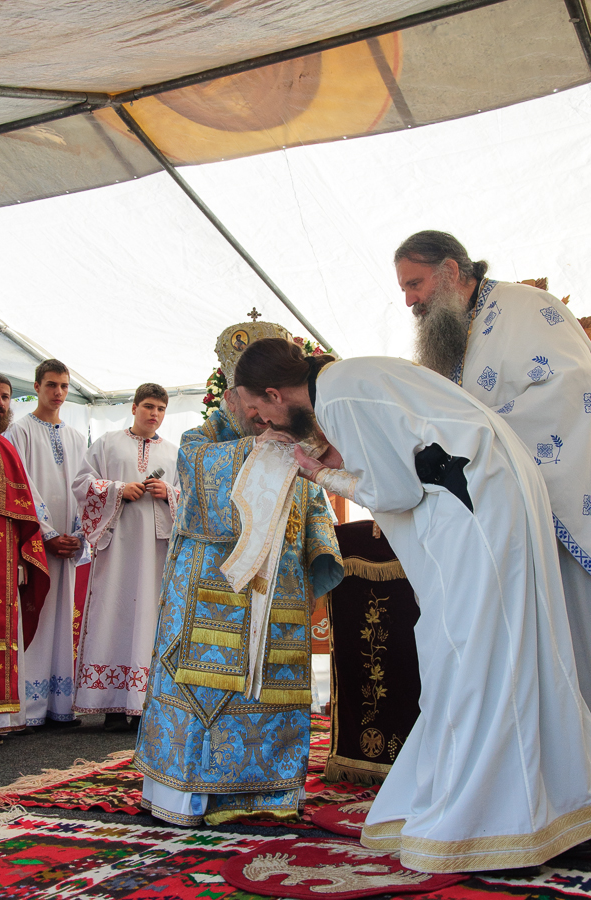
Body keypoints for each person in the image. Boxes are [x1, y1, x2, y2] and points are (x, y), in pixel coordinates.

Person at [234, 337, 591, 873]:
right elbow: (407, 455)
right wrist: (340, 461)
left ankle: (495, 824)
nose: (262, 424)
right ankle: (559, 807)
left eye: (257, 412)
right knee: (496, 653)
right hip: (491, 501)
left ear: (273, 393)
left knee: (471, 658)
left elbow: (395, 491)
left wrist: (317, 472)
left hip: (476, 513)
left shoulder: (339, 395)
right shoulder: (347, 380)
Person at [135, 319, 343, 826]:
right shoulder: (201, 440)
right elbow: (199, 480)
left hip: (281, 585)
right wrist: (260, 451)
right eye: (246, 404)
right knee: (204, 691)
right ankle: (191, 796)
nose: (254, 415)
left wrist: (319, 553)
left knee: (274, 685)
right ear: (231, 395)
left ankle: (270, 792)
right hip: (211, 582)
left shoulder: (296, 436)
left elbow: (313, 502)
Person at [394, 230, 591, 707]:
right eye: (404, 289)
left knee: (570, 642)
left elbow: (571, 389)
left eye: (415, 284)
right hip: (497, 520)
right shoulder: (454, 331)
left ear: (451, 271)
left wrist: (477, 436)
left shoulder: (528, 309)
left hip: (551, 512)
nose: (410, 300)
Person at [72, 383, 179, 732]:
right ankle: (111, 706)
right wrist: (118, 489)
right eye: (148, 406)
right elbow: (82, 483)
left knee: (151, 617)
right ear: (134, 407)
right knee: (112, 613)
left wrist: (169, 492)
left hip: (156, 551)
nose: (154, 414)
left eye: (160, 409)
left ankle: (146, 705)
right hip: (117, 546)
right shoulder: (107, 443)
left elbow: (191, 498)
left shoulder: (174, 453)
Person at [4, 360, 86, 727]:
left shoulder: (77, 438)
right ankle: (29, 706)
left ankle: (59, 703)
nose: (59, 393)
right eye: (52, 385)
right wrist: (48, 534)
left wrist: (77, 534)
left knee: (63, 617)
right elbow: (21, 487)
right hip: (33, 543)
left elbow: (84, 487)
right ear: (36, 387)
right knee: (33, 613)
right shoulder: (18, 432)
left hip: (67, 545)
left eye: (64, 386)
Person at [0, 373, 50, 741]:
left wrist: (22, 557)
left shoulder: (6, 448)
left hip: (2, 559)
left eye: (5, 397)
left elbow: (24, 512)